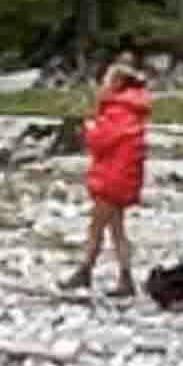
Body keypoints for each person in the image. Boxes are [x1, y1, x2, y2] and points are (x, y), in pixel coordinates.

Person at [67, 56, 149, 297]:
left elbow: (98, 142)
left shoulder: (117, 113)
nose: (101, 84)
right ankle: (125, 278)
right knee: (116, 230)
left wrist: (86, 129)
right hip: (123, 179)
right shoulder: (131, 112)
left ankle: (85, 272)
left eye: (105, 80)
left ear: (116, 84)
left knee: (96, 228)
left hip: (112, 181)